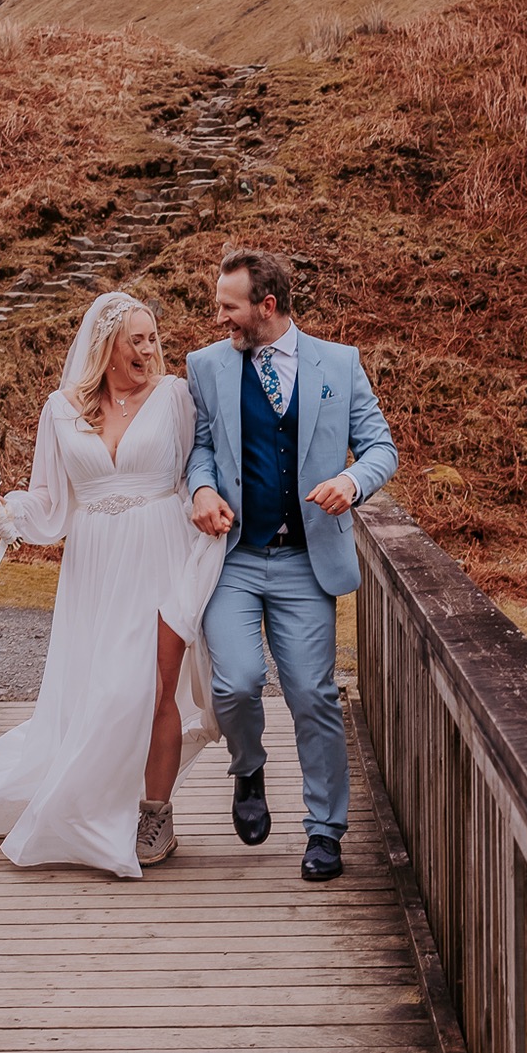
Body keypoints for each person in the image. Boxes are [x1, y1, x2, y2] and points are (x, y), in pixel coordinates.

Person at [0, 292, 224, 878]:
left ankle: (150, 812)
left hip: (161, 554)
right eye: (136, 339)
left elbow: (198, 471)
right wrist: (4, 508)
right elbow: (52, 501)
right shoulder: (60, 410)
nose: (149, 348)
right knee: (104, 690)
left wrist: (208, 504)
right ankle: (98, 806)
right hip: (95, 566)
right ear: (105, 347)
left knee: (147, 689)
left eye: (152, 337)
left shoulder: (175, 396)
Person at [187, 249, 398, 883]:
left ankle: (325, 830)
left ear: (266, 306)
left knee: (313, 694)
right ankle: (248, 768)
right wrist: (201, 490)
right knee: (236, 683)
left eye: (229, 305)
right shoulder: (206, 366)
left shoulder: (339, 363)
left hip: (307, 563)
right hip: (235, 559)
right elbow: (197, 447)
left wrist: (353, 482)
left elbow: (381, 446)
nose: (218, 315)